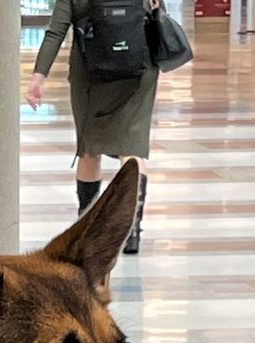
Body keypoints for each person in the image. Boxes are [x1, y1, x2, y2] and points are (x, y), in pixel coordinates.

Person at [27, 0, 160, 253]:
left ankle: (85, 224)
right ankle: (131, 231)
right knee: (133, 148)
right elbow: (155, 11)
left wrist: (39, 76)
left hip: (92, 70)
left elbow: (56, 30)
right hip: (140, 66)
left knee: (90, 148)